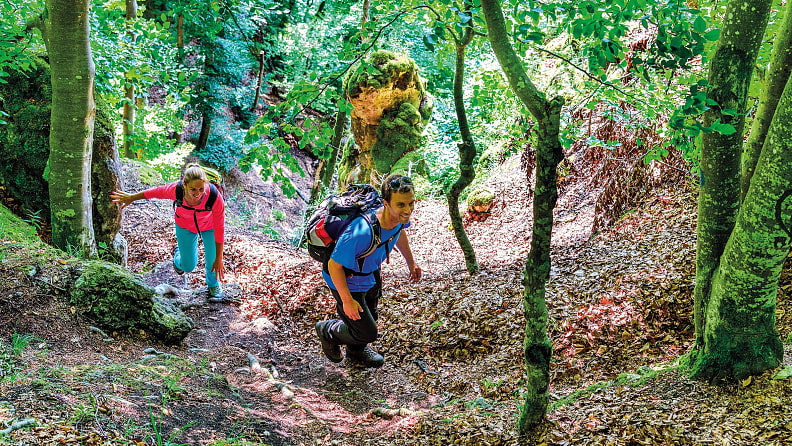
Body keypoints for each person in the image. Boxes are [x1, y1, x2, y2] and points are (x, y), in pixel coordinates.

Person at [315, 174, 422, 368]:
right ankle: (327, 330)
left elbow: (400, 232)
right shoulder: (361, 231)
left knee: (371, 315)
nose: (408, 210)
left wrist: (411, 263)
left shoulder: (398, 218)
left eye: (411, 203)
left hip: (370, 272)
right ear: (386, 203)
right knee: (366, 331)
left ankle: (356, 352)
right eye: (401, 205)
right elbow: (334, 265)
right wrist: (347, 300)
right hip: (346, 279)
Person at [110, 163, 228, 302]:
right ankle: (178, 257)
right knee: (188, 266)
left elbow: (220, 229)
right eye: (193, 189)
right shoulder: (176, 190)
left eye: (201, 189)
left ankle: (213, 286)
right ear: (184, 185)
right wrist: (131, 197)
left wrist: (219, 259)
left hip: (209, 227)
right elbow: (154, 192)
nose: (197, 193)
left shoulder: (214, 196)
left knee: (213, 260)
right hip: (185, 225)